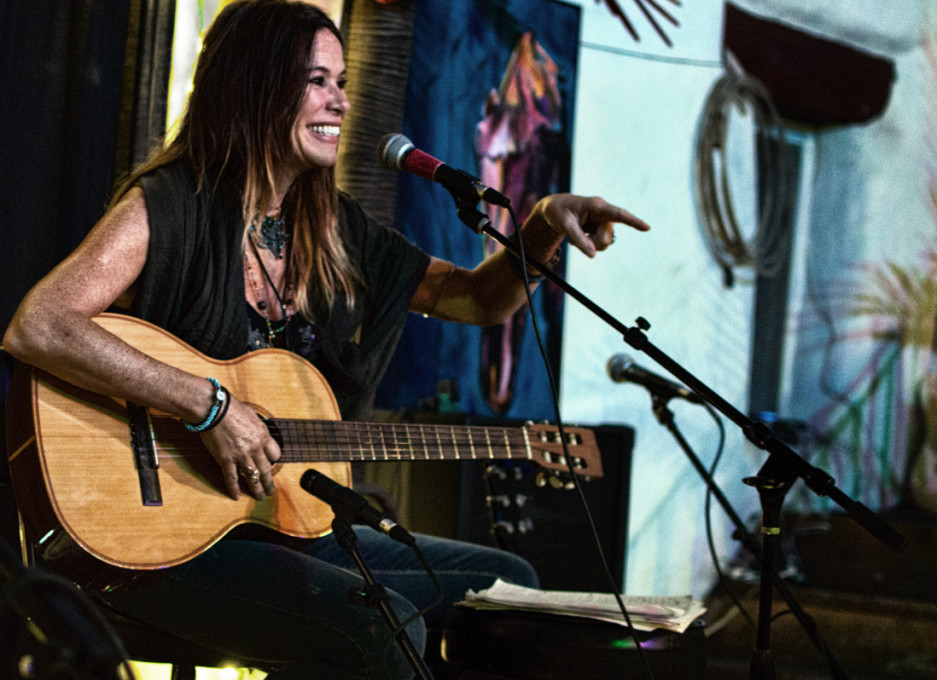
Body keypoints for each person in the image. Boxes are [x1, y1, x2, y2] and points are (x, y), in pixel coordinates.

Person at [2, 1, 650, 678]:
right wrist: (210, 406)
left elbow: (480, 299)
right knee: (383, 623)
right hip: (154, 539)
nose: (340, 102)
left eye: (342, 82)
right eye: (319, 81)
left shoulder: (335, 230)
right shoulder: (170, 205)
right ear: (255, 85)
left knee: (505, 589)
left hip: (272, 526)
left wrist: (543, 223)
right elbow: (42, 323)